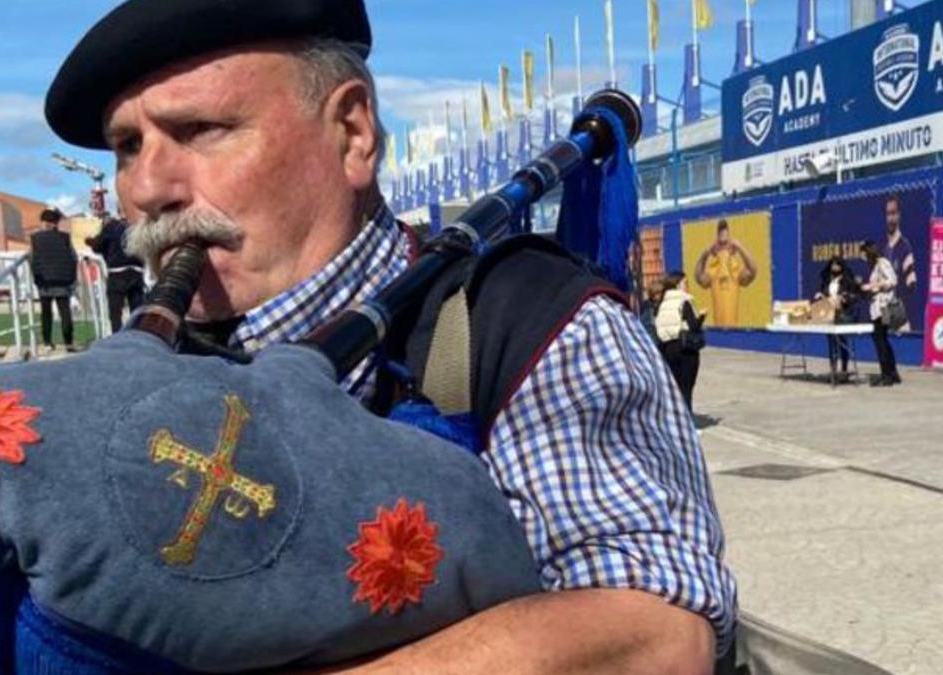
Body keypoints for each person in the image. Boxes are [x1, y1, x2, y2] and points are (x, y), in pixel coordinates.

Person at [49, 0, 734, 669]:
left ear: (352, 134)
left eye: (201, 129)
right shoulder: (156, 355)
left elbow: (655, 632)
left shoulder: (523, 324)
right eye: (128, 146)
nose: (147, 187)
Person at [85, 216, 146, 332]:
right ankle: (137, 335)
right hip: (137, 272)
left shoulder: (112, 227)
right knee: (137, 310)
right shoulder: (138, 226)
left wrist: (89, 241)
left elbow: (98, 245)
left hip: (117, 272)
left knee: (115, 312)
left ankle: (117, 336)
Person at [655, 272, 706, 410]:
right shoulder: (684, 301)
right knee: (686, 389)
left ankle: (675, 422)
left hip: (667, 348)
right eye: (685, 283)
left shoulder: (662, 303)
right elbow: (693, 326)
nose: (687, 286)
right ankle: (687, 424)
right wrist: (701, 317)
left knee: (675, 388)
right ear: (677, 285)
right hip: (685, 348)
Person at [30, 207, 78, 352]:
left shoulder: (35, 238)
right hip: (63, 281)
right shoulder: (65, 237)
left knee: (46, 313)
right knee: (65, 312)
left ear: (45, 222)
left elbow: (33, 259)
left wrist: (36, 278)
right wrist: (72, 278)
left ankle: (47, 343)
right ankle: (69, 343)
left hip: (44, 281)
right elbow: (73, 258)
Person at [694, 219, 757, 327]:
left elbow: (752, 271)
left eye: (726, 244)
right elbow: (699, 277)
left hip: (734, 329)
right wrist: (705, 253)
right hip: (718, 328)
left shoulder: (735, 269)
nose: (724, 248)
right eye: (721, 244)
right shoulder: (714, 270)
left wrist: (740, 248)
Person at [813, 255, 862, 379]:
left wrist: (843, 298)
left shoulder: (847, 279)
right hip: (829, 315)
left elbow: (853, 295)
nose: (835, 267)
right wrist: (821, 295)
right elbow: (825, 293)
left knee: (842, 342)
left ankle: (844, 369)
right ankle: (833, 369)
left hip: (843, 315)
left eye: (838, 264)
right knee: (831, 343)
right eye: (833, 264)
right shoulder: (828, 280)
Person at [861, 240, 901, 386]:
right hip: (877, 308)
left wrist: (873, 286)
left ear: (868, 251)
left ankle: (886, 376)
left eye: (863, 253)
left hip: (882, 308)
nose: (863, 256)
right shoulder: (874, 267)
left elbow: (893, 280)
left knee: (880, 342)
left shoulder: (882, 263)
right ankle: (892, 373)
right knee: (883, 340)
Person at [882, 193, 918, 329]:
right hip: (885, 307)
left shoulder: (905, 247)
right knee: (887, 344)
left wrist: (900, 311)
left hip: (899, 311)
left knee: (900, 344)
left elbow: (911, 285)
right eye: (888, 214)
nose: (890, 218)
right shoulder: (884, 248)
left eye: (893, 213)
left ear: (899, 215)